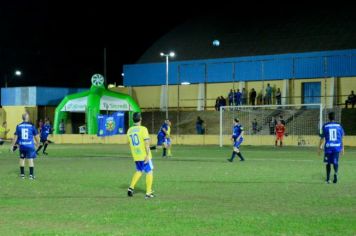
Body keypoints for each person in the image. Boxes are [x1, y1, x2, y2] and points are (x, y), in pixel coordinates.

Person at [127, 112, 154, 199]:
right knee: (149, 172)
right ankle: (148, 193)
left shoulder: (129, 131)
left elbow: (130, 143)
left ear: (133, 120)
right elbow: (146, 143)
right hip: (144, 155)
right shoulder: (143, 129)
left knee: (139, 170)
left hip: (136, 155)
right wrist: (147, 155)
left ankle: (131, 188)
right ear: (141, 119)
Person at [11, 113, 40, 180]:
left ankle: (22, 175)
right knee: (30, 160)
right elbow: (36, 136)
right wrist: (38, 144)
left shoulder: (18, 126)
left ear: (22, 118)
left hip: (22, 146)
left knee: (22, 159)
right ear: (28, 118)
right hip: (30, 145)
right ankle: (31, 176)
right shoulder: (32, 126)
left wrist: (12, 145)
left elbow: (15, 137)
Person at [318, 112, 344, 184]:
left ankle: (328, 179)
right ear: (334, 117)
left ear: (328, 117)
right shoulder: (339, 125)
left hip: (328, 147)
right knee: (335, 162)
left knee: (328, 163)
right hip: (336, 147)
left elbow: (322, 138)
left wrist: (319, 148)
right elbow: (341, 138)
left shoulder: (325, 126)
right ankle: (335, 174)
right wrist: (342, 148)